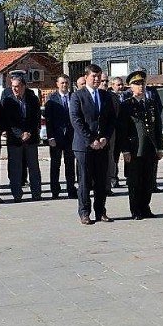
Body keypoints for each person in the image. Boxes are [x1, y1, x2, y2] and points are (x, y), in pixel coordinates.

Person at [70, 64, 115, 224]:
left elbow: (111, 120)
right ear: (86, 77)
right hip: (84, 147)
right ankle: (84, 212)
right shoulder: (77, 96)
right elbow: (76, 120)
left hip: (102, 145)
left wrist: (105, 138)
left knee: (102, 180)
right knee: (85, 181)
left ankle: (100, 211)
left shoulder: (105, 96)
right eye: (93, 76)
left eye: (99, 76)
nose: (96, 79)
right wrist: (90, 140)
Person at [117, 71, 163, 219]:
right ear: (130, 87)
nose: (140, 86)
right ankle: (136, 210)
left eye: (142, 83)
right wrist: (125, 150)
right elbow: (122, 130)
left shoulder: (151, 104)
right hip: (134, 149)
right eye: (137, 84)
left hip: (150, 149)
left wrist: (160, 146)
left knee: (148, 180)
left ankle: (145, 207)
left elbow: (157, 127)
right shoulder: (126, 105)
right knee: (135, 182)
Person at [3, 75, 42, 202]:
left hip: (31, 138)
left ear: (24, 86)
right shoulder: (8, 100)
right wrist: (20, 134)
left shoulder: (32, 99)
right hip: (15, 139)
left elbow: (36, 117)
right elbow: (8, 121)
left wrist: (29, 132)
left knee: (34, 167)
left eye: (17, 86)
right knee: (15, 168)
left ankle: (36, 193)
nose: (15, 89)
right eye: (13, 86)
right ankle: (17, 194)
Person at [45, 75, 77, 199]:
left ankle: (71, 189)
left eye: (67, 83)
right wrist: (50, 137)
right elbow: (48, 120)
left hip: (70, 136)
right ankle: (55, 190)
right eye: (62, 83)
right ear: (57, 84)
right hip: (56, 137)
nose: (64, 85)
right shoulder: (52, 99)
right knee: (55, 164)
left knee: (70, 164)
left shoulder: (74, 97)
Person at [107, 76, 125, 188]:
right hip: (114, 129)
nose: (121, 87)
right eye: (118, 85)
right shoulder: (109, 97)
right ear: (112, 85)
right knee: (113, 154)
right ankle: (113, 177)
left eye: (121, 84)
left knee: (122, 153)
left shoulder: (126, 95)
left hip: (124, 129)